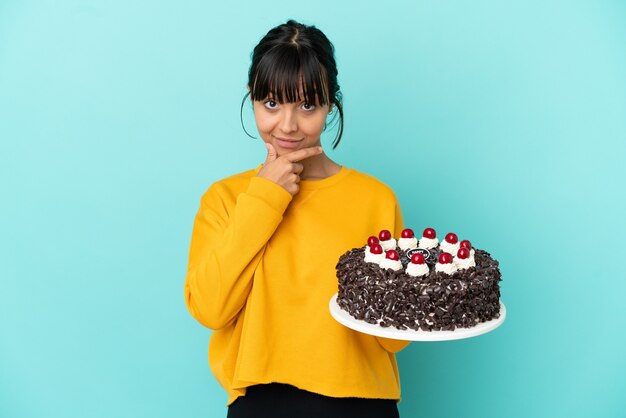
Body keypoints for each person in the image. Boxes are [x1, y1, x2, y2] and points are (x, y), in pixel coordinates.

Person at [184, 19, 410, 418]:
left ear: (330, 106)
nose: (287, 125)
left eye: (307, 105)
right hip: (262, 402)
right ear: (252, 100)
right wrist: (265, 197)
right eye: (271, 103)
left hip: (363, 404)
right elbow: (210, 309)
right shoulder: (225, 199)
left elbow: (394, 339)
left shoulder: (375, 199)